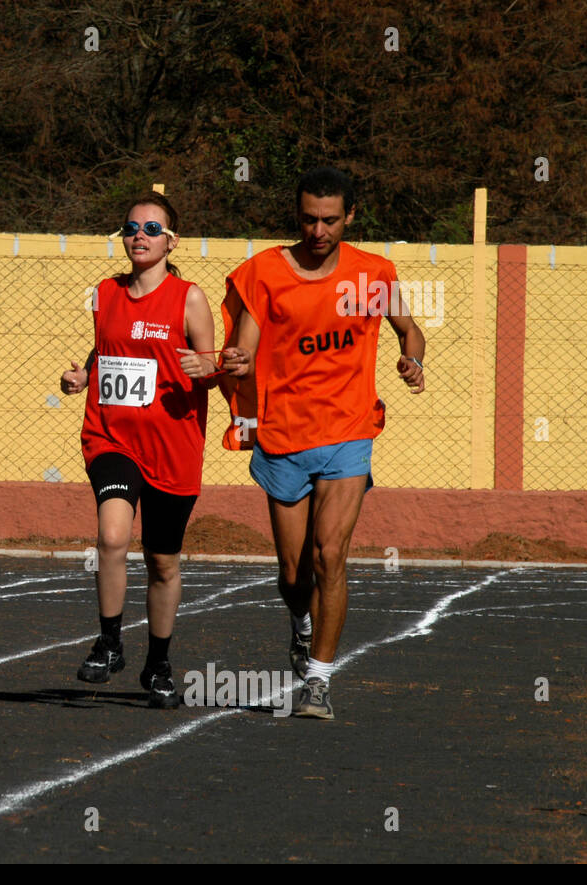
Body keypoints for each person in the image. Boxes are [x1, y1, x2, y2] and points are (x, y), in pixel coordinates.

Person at [219, 167, 426, 719]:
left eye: (330, 220)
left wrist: (413, 358)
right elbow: (243, 349)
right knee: (294, 574)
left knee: (330, 553)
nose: (318, 230)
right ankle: (300, 621)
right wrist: (236, 364)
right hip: (283, 434)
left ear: (350, 217)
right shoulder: (264, 273)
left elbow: (409, 328)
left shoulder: (373, 273)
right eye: (309, 219)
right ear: (297, 215)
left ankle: (318, 681)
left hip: (349, 431)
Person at [60, 192, 219, 708]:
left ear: (172, 241)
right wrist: (85, 374)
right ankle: (109, 644)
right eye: (131, 228)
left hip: (173, 445)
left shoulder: (189, 297)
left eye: (152, 229)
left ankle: (158, 662)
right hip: (112, 438)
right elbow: (108, 344)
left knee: (162, 561)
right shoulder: (104, 293)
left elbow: (211, 363)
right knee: (112, 537)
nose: (139, 237)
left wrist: (207, 368)